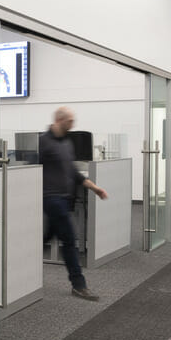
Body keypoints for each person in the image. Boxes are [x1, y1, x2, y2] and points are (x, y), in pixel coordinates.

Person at [40, 106, 109, 301]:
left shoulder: (67, 143)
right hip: (51, 199)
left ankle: (17, 271)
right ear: (59, 120)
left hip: (64, 198)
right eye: (70, 121)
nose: (73, 125)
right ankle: (79, 285)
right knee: (70, 240)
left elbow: (73, 172)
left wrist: (94, 188)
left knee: (44, 240)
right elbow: (32, 169)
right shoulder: (44, 142)